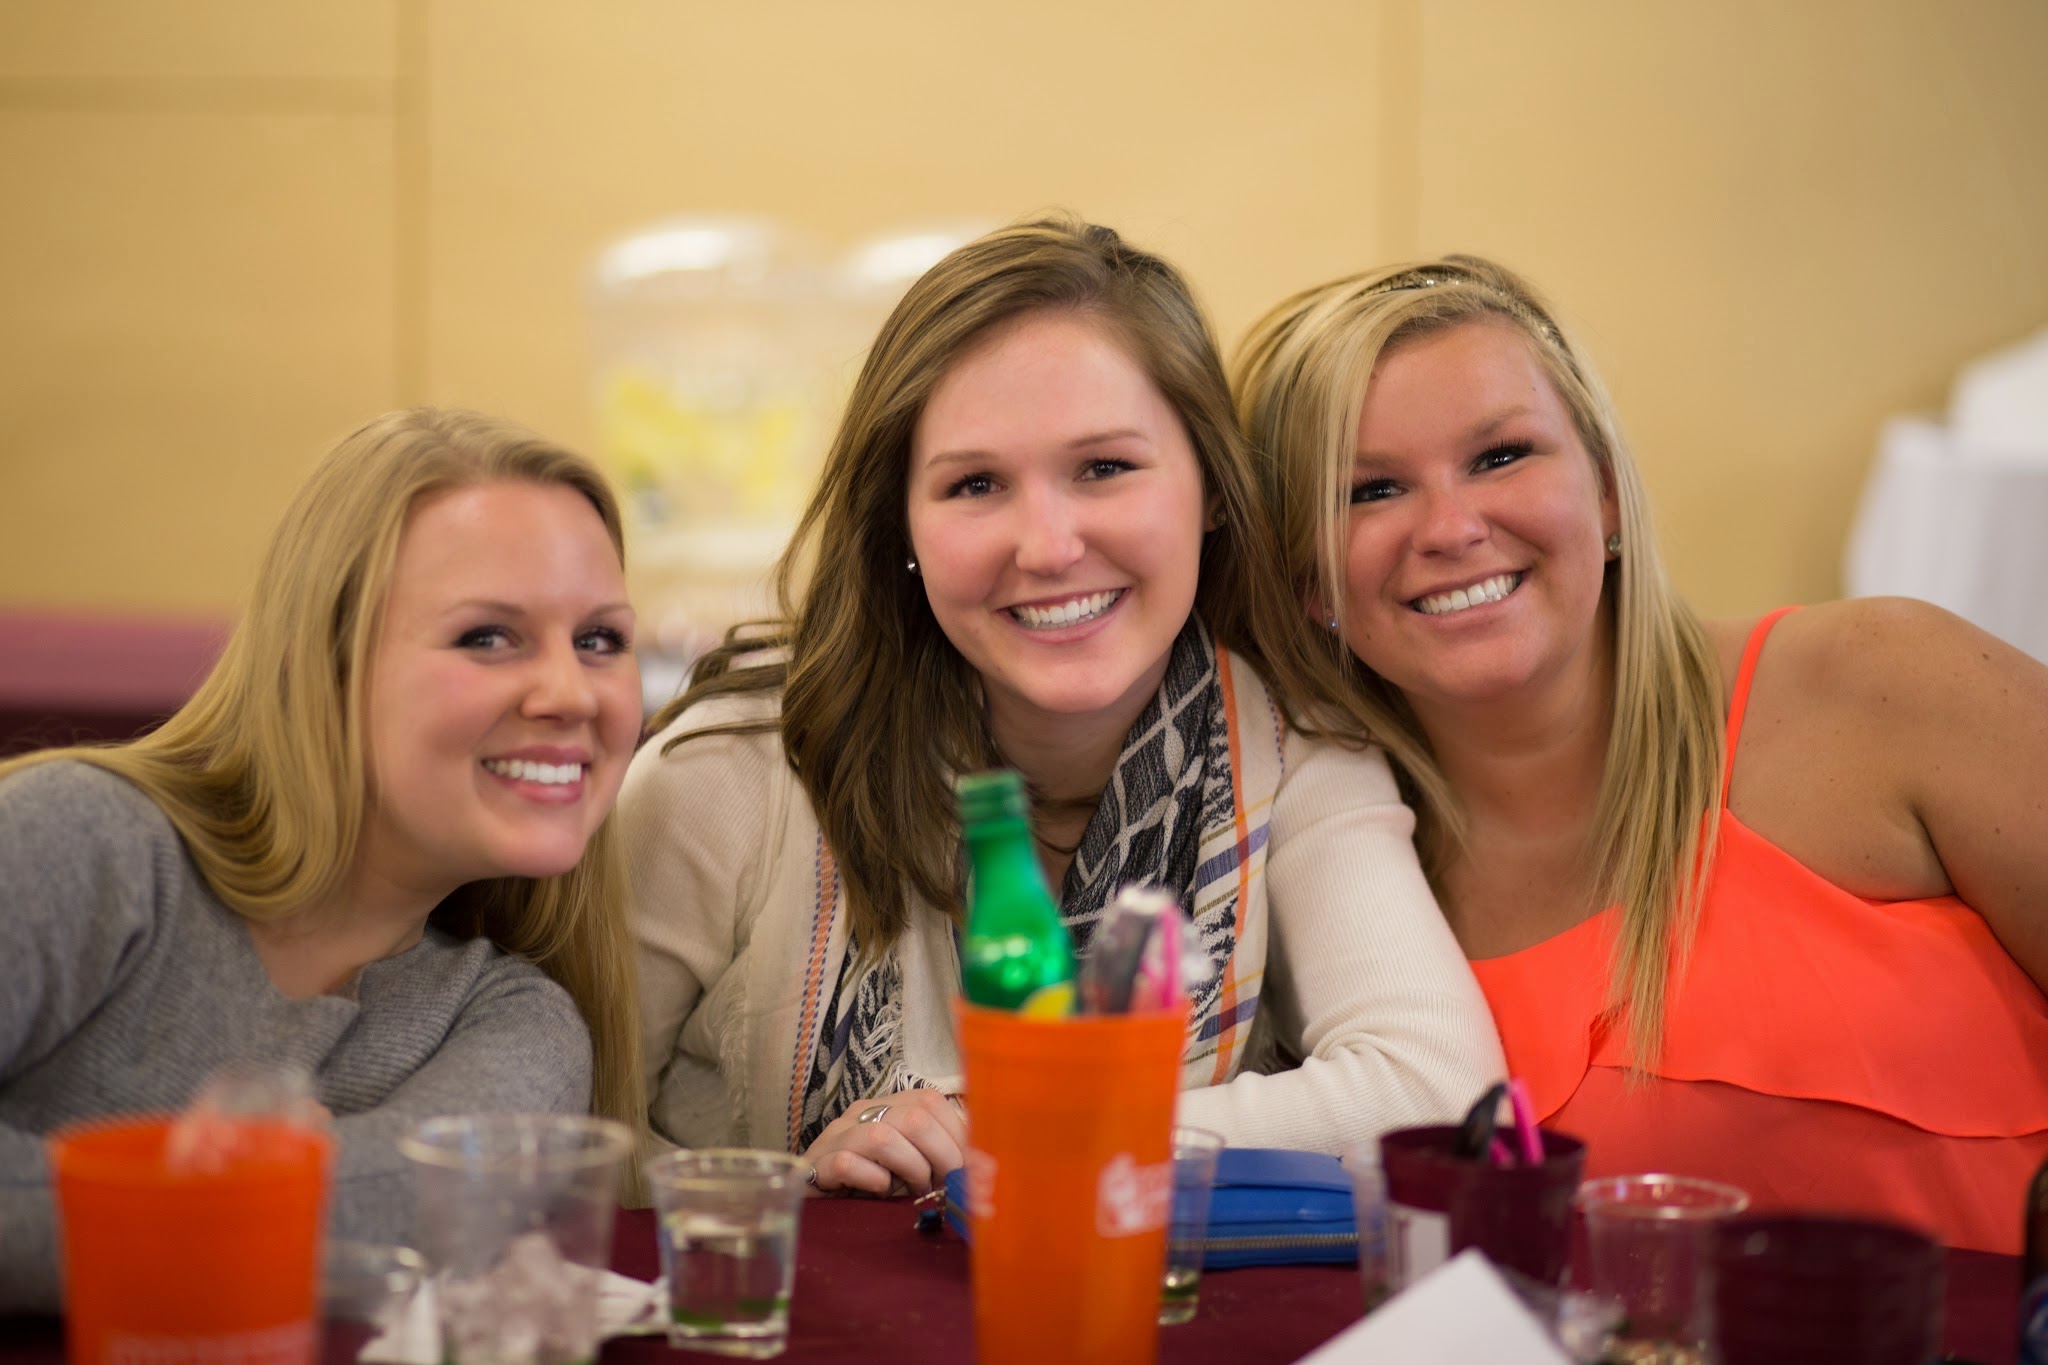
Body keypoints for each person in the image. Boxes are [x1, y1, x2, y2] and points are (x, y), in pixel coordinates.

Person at [621, 217, 1503, 1195]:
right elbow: (556, 1145)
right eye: (975, 484)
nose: (1046, 546)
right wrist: (796, 1185)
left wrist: (1008, 1128)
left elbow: (1440, 1095)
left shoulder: (1296, 753)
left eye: (1104, 468)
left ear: (1213, 488)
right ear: (898, 525)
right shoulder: (727, 772)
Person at [1232, 254, 2048, 1252]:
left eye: (1500, 456)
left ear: (1608, 493)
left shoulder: (1883, 681)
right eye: (1371, 489)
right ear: (1308, 580)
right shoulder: (1335, 888)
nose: (1450, 527)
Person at [0, 409, 646, 1311]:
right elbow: (320, 1230)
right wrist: (223, 1194)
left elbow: (405, 1218)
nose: (572, 693)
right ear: (325, 660)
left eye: (600, 640)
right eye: (488, 636)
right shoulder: (83, 840)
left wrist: (169, 1206)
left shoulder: (520, 1020)